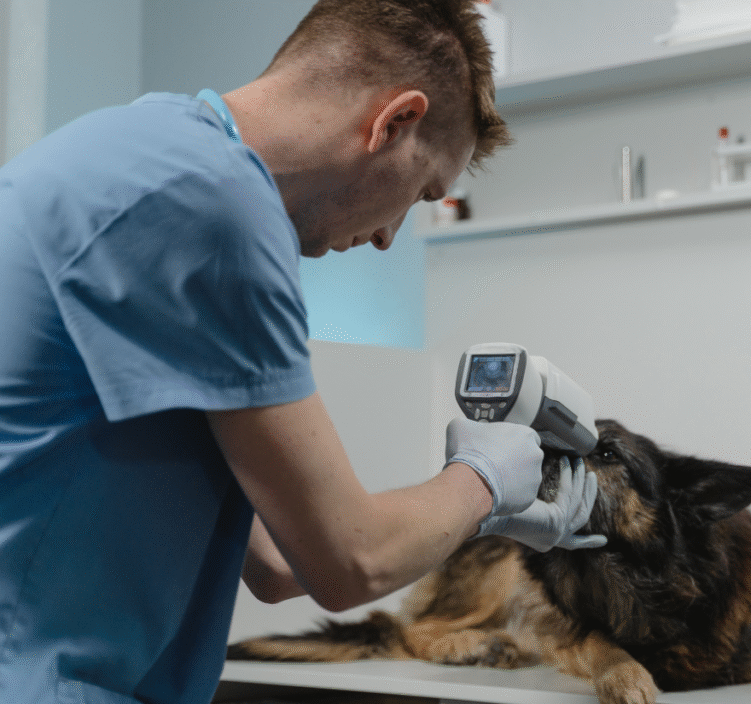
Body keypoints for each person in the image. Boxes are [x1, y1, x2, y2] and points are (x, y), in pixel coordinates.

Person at [0, 2, 604, 702]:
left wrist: (484, 511)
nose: (388, 238)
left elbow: (280, 563)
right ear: (395, 120)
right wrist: (483, 480)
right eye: (422, 191)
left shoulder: (145, 150)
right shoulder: (213, 207)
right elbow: (351, 561)